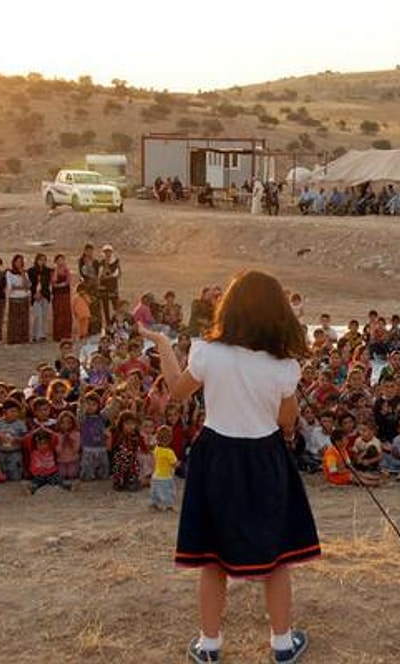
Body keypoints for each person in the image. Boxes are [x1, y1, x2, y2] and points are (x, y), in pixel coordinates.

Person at [138, 268, 319, 664]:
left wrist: (164, 346)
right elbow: (287, 421)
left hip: (216, 456)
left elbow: (177, 391)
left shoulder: (207, 352)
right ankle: (282, 644)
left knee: (212, 557)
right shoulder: (284, 365)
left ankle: (210, 645)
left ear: (230, 308)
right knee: (277, 557)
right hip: (265, 456)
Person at [151, 425, 179, 510]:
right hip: (165, 476)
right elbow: (174, 464)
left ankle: (154, 503)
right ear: (170, 439)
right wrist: (179, 464)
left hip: (155, 475)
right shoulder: (169, 452)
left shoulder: (156, 449)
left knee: (155, 490)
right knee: (168, 491)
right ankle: (168, 505)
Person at [5, 254, 31, 345]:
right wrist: (21, 287)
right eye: (17, 262)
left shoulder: (25, 273)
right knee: (14, 320)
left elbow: (27, 286)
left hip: (24, 297)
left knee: (23, 319)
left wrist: (23, 274)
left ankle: (23, 338)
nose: (19, 263)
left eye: (21, 262)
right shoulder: (9, 273)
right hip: (14, 298)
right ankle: (14, 339)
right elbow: (10, 286)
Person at [27, 253, 52, 343]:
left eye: (44, 260)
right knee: (37, 315)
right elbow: (29, 284)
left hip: (45, 294)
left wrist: (43, 293)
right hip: (35, 295)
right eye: (40, 259)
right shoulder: (31, 271)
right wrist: (35, 293)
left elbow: (48, 283)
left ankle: (42, 334)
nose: (42, 261)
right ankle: (35, 334)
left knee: (44, 315)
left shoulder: (48, 271)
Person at [50, 254, 73, 342]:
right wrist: (56, 270)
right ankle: (58, 334)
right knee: (58, 313)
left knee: (66, 313)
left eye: (62, 260)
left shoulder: (66, 270)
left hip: (65, 294)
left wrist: (58, 285)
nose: (61, 262)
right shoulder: (53, 271)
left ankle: (66, 333)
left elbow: (68, 282)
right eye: (59, 260)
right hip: (57, 295)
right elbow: (53, 282)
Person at [98, 245, 121, 327]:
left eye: (109, 252)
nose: (107, 254)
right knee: (105, 307)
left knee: (116, 306)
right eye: (106, 252)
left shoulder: (116, 262)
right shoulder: (101, 262)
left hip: (112, 286)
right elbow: (100, 275)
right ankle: (108, 323)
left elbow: (117, 274)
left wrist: (109, 276)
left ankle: (116, 322)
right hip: (104, 287)